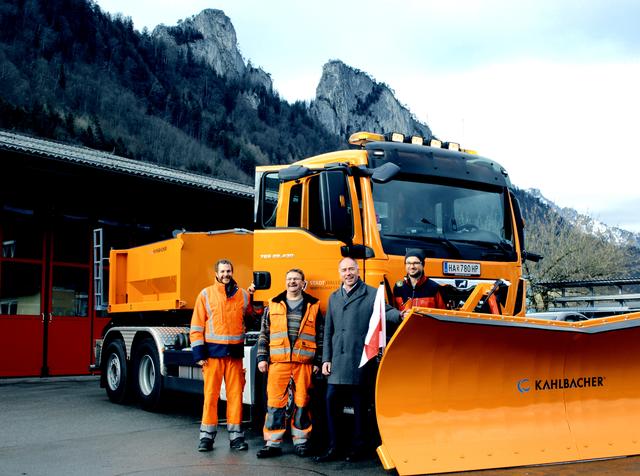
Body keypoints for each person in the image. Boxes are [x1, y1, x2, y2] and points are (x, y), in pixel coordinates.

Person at [315, 257, 400, 463]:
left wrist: (402, 315)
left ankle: (358, 448)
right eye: (344, 270)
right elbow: (329, 331)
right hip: (336, 362)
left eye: (351, 269)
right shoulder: (334, 297)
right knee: (330, 402)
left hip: (360, 361)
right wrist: (326, 358)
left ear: (357, 271)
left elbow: (386, 313)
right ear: (339, 273)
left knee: (360, 407)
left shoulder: (372, 294)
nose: (348, 273)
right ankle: (334, 447)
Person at [255, 268, 323, 459]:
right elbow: (264, 334)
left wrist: (318, 360)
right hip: (279, 362)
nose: (292, 282)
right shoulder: (273, 304)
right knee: (275, 403)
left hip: (304, 363)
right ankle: (272, 443)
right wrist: (262, 358)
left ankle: (301, 442)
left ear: (303, 283)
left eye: (296, 279)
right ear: (285, 282)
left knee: (302, 402)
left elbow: (320, 336)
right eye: (289, 279)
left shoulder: (314, 305)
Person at [190, 259, 255, 453]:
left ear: (232, 272)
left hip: (234, 355)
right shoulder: (206, 294)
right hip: (212, 356)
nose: (226, 274)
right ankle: (206, 438)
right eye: (223, 271)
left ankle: (236, 438)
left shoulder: (242, 294)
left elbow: (252, 316)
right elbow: (196, 326)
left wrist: (254, 296)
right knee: (210, 397)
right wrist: (199, 354)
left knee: (235, 396)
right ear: (216, 274)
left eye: (229, 271)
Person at [393, 248, 447, 318]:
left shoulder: (434, 288)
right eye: (408, 263)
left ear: (423, 265)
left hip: (427, 328)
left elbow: (443, 316)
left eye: (415, 263)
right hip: (404, 328)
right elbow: (393, 313)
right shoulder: (398, 287)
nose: (412, 266)